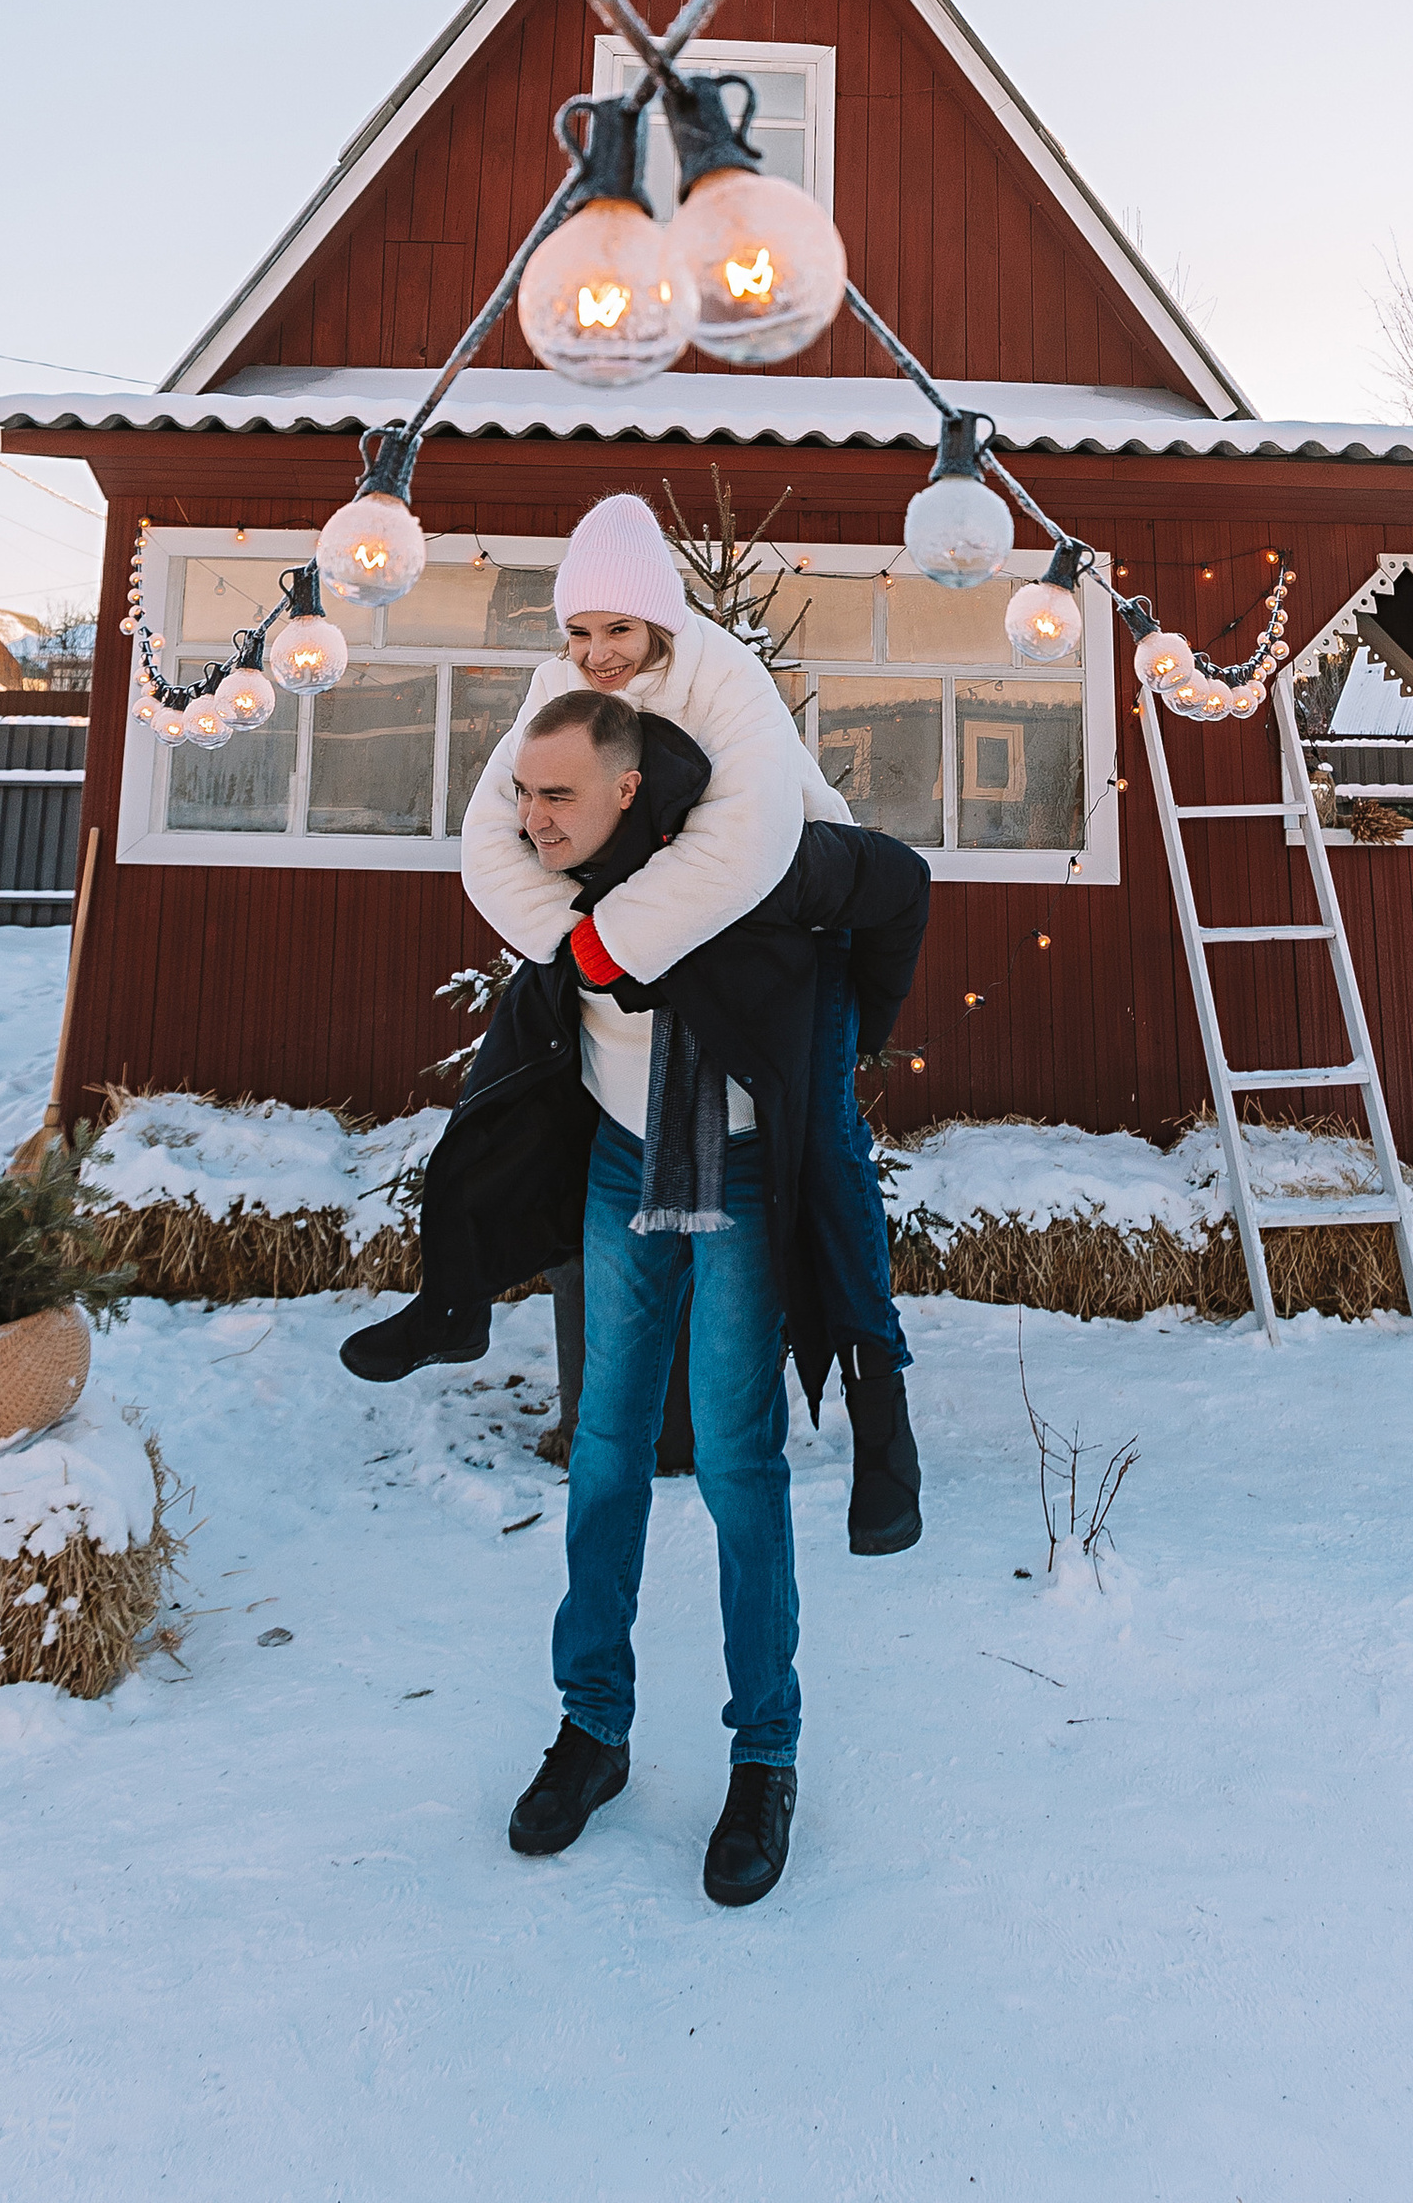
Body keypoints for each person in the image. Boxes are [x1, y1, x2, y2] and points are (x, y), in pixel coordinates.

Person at [402, 676, 924, 1906]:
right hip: (621, 1159)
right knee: (603, 1451)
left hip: (744, 1173)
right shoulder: (557, 887)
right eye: (524, 794)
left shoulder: (752, 867)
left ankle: (763, 1757)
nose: (533, 817)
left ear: (627, 790)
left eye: (558, 797)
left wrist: (855, 1041)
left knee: (740, 1465)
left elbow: (896, 888)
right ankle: (593, 1732)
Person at [347, 492, 926, 1555]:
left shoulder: (721, 673)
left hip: (788, 920)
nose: (598, 653)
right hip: (637, 930)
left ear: (661, 620)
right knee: (508, 1075)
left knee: (829, 1158)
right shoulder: (557, 686)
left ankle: (880, 1407)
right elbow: (489, 836)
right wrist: (575, 947)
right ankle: (453, 1300)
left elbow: (747, 838)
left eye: (618, 629)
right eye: (578, 631)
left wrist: (617, 946)